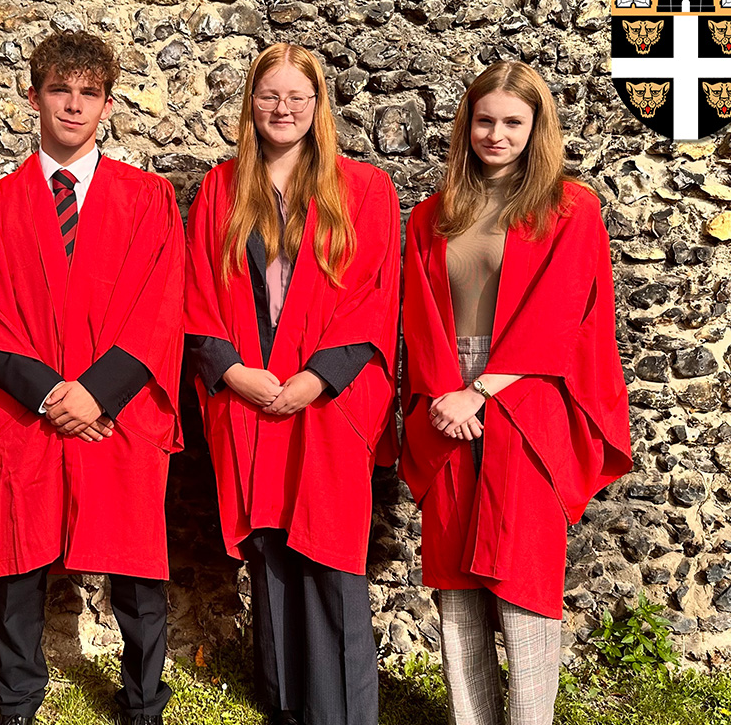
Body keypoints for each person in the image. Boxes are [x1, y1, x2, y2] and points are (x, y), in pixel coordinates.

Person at [399, 60, 632, 725]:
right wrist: (448, 393)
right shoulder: (433, 215)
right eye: (484, 120)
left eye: (512, 122)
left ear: (536, 128)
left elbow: (563, 313)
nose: (496, 134)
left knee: (523, 580)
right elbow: (422, 315)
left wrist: (484, 391)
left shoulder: (569, 208)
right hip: (447, 399)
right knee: (456, 588)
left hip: (527, 397)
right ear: (466, 124)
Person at [0, 31, 184, 725]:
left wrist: (97, 392)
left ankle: (144, 699)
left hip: (119, 409)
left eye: (88, 93)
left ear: (108, 104)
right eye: (60, 90)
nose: (73, 105)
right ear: (33, 97)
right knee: (20, 564)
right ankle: (17, 697)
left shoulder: (148, 200)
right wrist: (52, 395)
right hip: (27, 409)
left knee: (138, 563)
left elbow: (163, 302)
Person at [184, 43, 401, 725]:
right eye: (270, 95)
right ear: (251, 103)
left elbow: (375, 296)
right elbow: (193, 295)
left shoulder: (363, 189)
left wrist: (317, 378)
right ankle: (285, 705)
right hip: (250, 399)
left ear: (318, 107)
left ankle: (340, 713)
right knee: (270, 548)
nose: (283, 109)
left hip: (328, 402)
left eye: (297, 97)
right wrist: (234, 373)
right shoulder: (221, 189)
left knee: (332, 554)